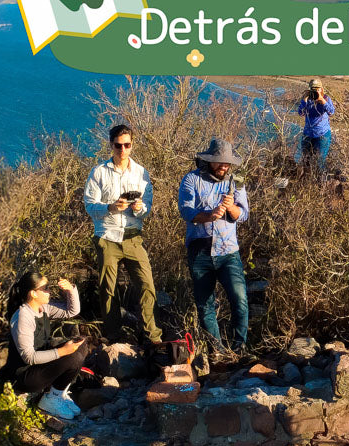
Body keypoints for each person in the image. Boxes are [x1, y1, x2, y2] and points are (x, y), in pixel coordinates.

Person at [82, 124, 163, 345]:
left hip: (133, 236)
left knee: (147, 285)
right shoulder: (98, 172)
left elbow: (147, 205)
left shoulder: (141, 172)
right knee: (108, 288)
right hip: (107, 236)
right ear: (111, 145)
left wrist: (139, 208)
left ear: (132, 145)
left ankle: (152, 336)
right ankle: (114, 336)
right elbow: (90, 205)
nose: (123, 150)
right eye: (118, 145)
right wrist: (111, 207)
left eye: (127, 145)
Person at [177, 138, 250, 350]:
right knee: (205, 304)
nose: (224, 166)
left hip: (228, 251)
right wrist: (209, 215)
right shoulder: (191, 179)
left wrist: (231, 209)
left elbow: (243, 214)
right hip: (200, 249)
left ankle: (240, 348)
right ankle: (216, 350)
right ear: (209, 161)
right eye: (219, 162)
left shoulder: (237, 180)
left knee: (240, 300)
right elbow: (186, 210)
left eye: (227, 163)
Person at [1, 271, 87, 420]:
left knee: (80, 344)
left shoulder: (43, 308)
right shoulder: (23, 316)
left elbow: (72, 311)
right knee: (72, 356)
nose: (49, 291)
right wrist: (61, 351)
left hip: (40, 366)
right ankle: (50, 400)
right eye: (45, 288)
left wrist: (70, 290)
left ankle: (57, 393)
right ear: (33, 293)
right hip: (25, 376)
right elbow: (29, 357)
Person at [295, 78, 335, 174]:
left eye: (318, 88)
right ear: (309, 89)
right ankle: (307, 182)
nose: (316, 91)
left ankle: (319, 183)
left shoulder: (326, 98)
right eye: (313, 89)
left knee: (320, 162)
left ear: (321, 88)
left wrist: (323, 101)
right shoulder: (307, 100)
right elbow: (300, 113)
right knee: (305, 160)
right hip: (308, 134)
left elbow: (331, 112)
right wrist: (304, 100)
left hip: (322, 134)